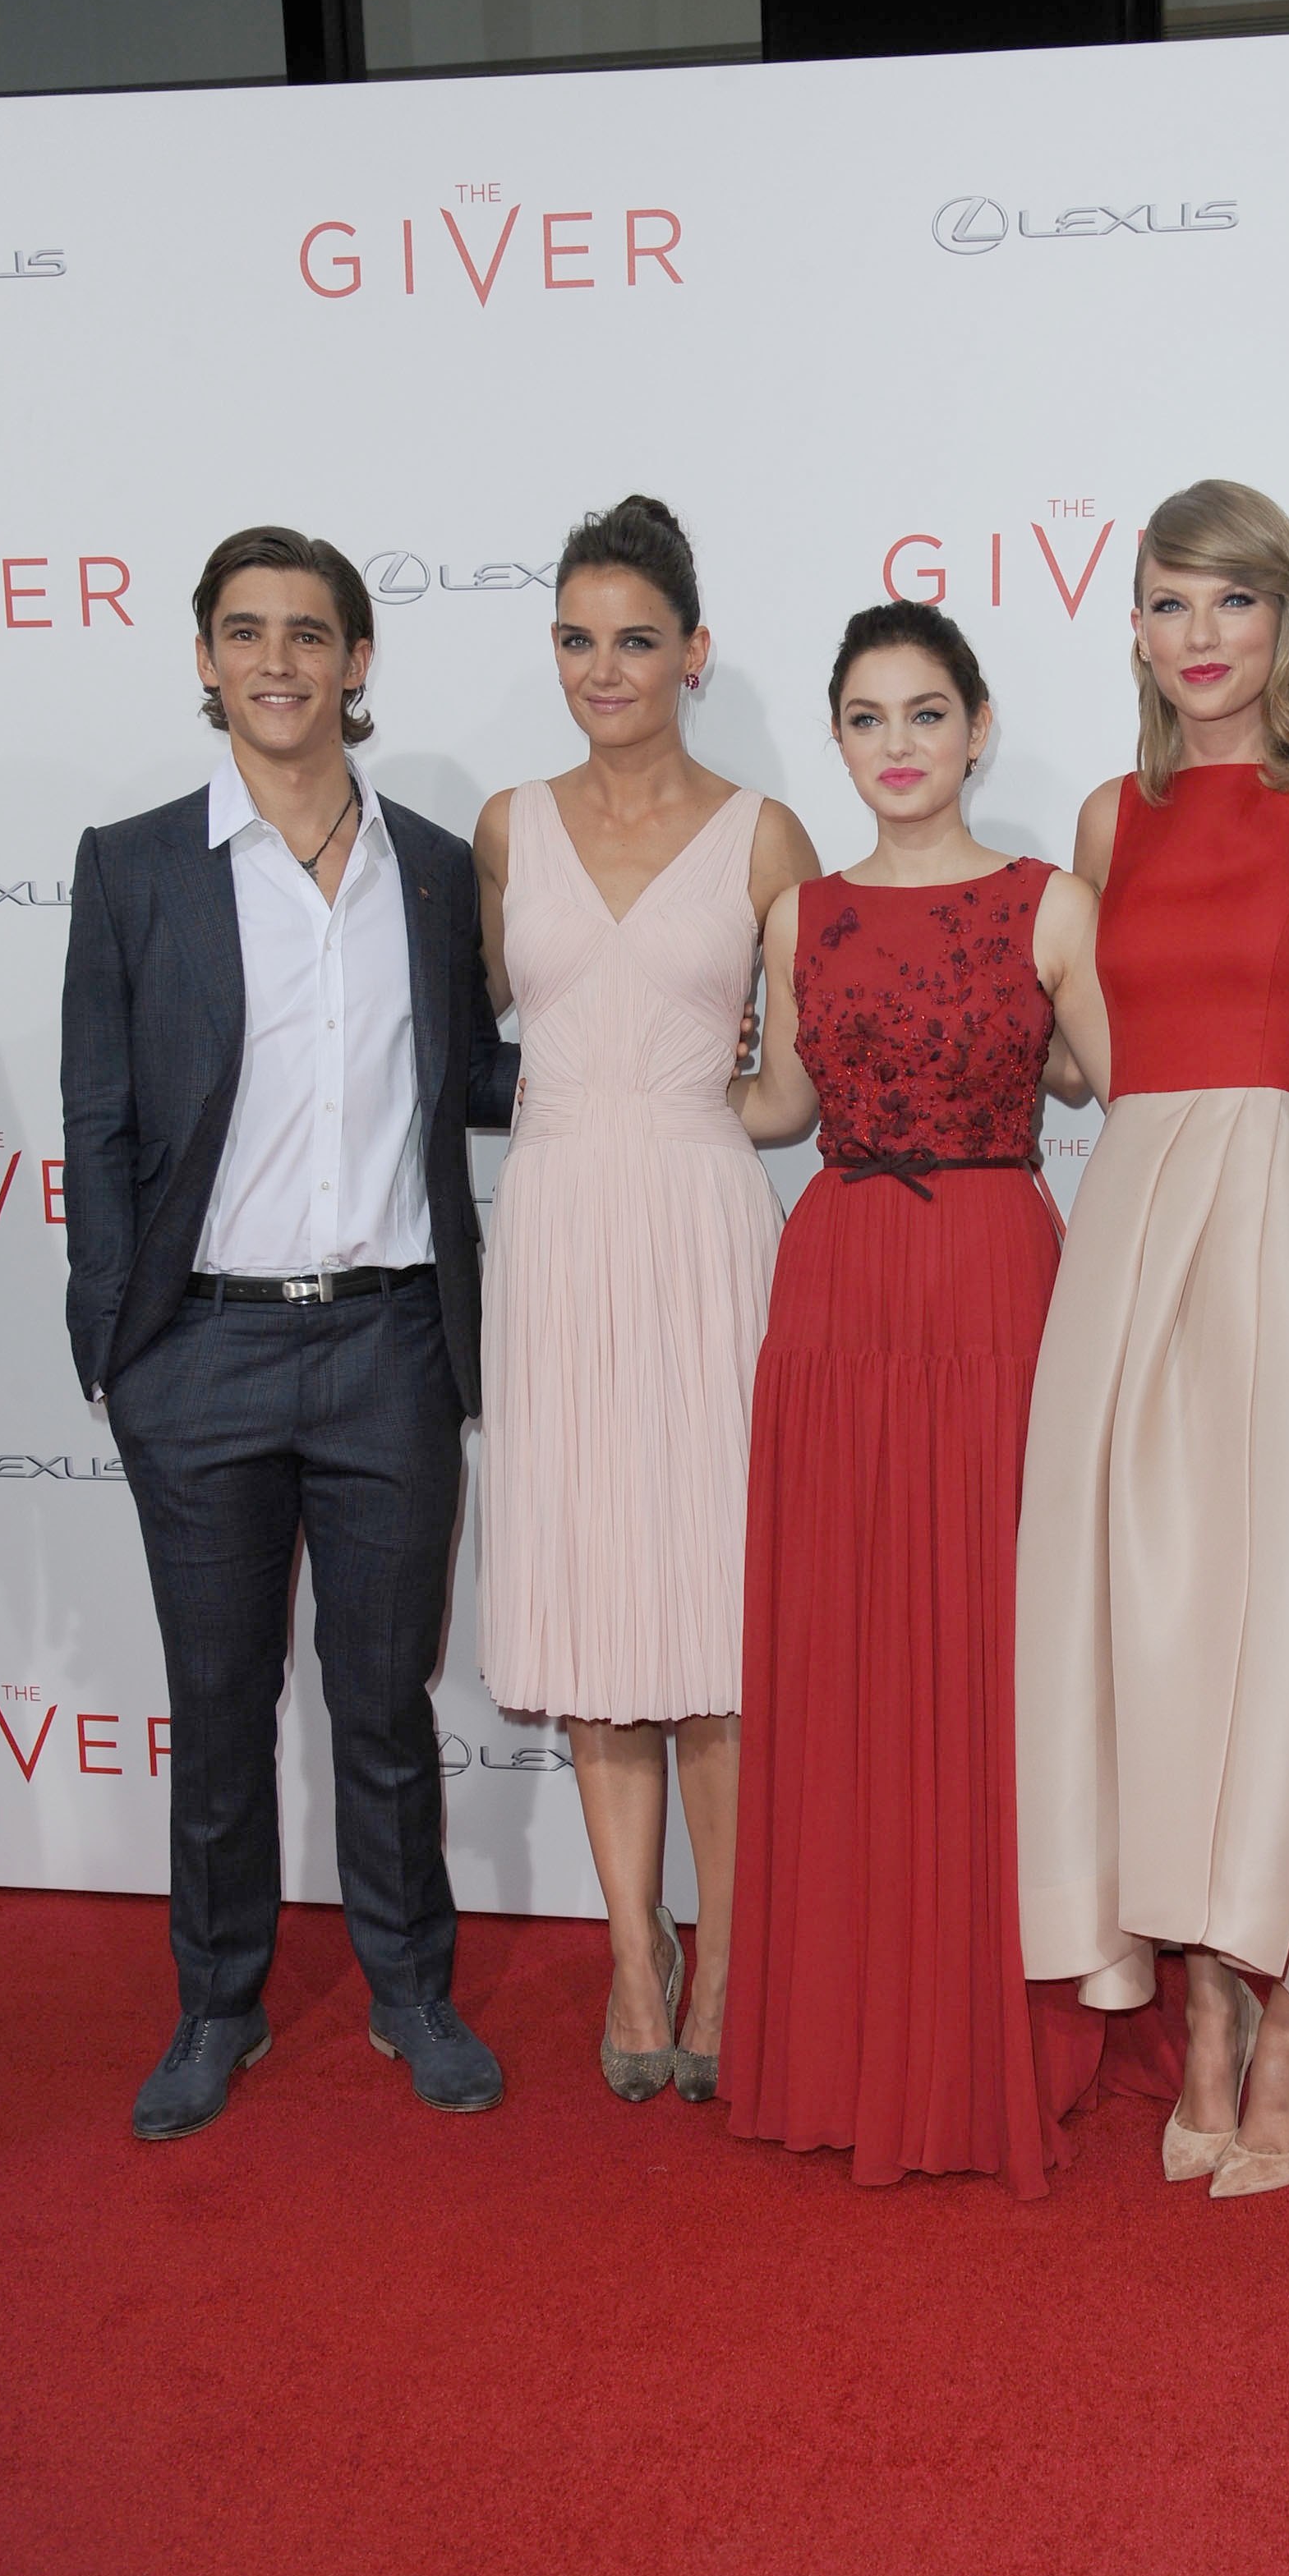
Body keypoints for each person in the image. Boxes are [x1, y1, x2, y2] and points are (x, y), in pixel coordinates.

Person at [1015, 478, 1289, 2199]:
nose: (1201, 637)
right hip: (1130, 1236)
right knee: (1155, 1629)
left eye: (1233, 602)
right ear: (1134, 629)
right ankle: (1201, 1996)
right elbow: (1086, 1057)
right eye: (1170, 604)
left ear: (1287, 617)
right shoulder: (1104, 820)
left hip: (1285, 1229)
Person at [61, 526, 518, 2139]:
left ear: (356, 662)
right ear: (205, 658)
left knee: (385, 1703)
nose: (278, 661)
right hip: (201, 1356)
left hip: (391, 1346)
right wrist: (124, 1353)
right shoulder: (133, 867)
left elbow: (477, 1079)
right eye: (245, 632)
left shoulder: (439, 870)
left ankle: (410, 1989)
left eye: (308, 633)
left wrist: (648, 1052)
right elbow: (100, 1123)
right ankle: (218, 2005)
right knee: (220, 1706)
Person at [720, 599, 1111, 2195]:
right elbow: (779, 1105)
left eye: (926, 714)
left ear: (978, 728)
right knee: (848, 1651)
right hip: (836, 1295)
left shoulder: (1052, 903)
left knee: (989, 1651)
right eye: (868, 719)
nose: (898, 745)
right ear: (836, 738)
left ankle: (980, 2030)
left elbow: (1125, 1090)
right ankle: (843, 2031)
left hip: (996, 1286)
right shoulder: (798, 914)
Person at [475, 496, 817, 2104]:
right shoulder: (504, 828)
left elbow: (791, 1092)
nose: (602, 669)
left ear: (693, 651)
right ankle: (635, 1955)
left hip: (697, 1234)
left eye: (633, 639)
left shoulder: (764, 837)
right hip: (553, 1236)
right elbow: (489, 1027)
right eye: (575, 639)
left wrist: (682, 1108)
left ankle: (728, 1958)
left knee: (707, 1619)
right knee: (598, 1606)